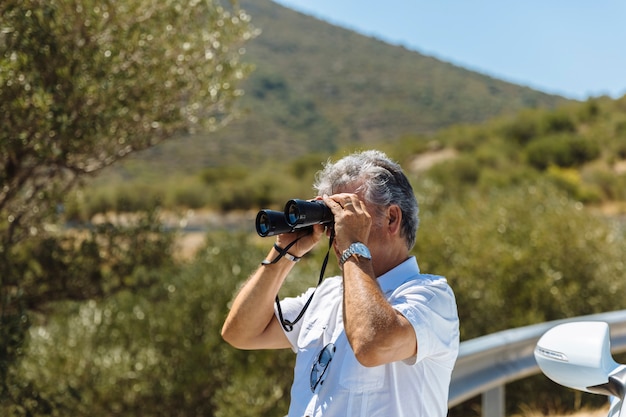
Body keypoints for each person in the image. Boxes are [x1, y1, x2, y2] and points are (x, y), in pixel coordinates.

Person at [221, 149, 459, 417]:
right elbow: (241, 332)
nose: (336, 232)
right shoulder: (329, 295)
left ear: (392, 218)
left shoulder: (431, 297)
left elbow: (372, 344)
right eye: (332, 220)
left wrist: (354, 247)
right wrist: (285, 252)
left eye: (349, 216)